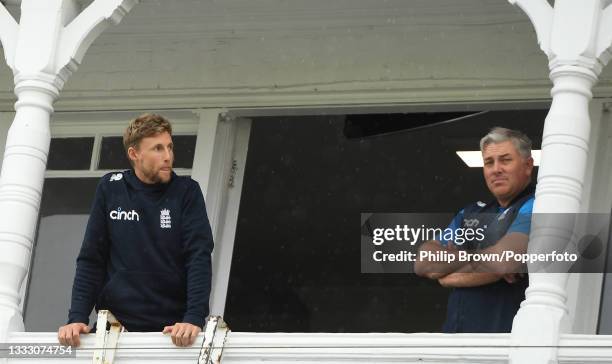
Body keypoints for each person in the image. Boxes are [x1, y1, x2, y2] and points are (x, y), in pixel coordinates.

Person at [58, 113, 214, 347]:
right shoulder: (111, 188)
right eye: (158, 149)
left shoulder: (187, 192)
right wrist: (77, 317)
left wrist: (193, 318)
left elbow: (198, 256)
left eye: (170, 147)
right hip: (113, 329)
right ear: (134, 154)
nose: (168, 156)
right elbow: (92, 259)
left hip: (171, 332)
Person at [414, 127, 535, 333]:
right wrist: (488, 263)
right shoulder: (469, 213)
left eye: (505, 160)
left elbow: (504, 261)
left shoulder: (536, 204)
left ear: (527, 165)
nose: (496, 169)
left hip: (503, 344)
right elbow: (424, 263)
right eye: (489, 162)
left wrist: (448, 269)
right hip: (454, 343)